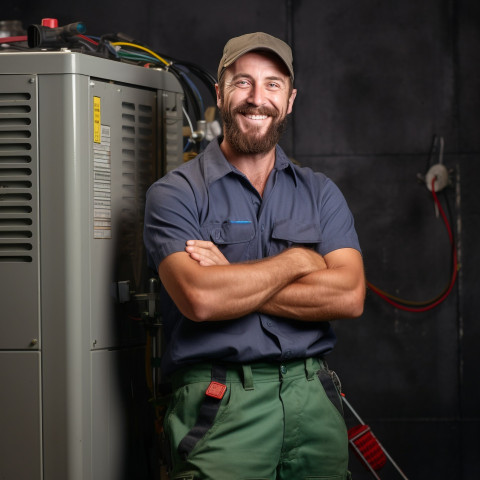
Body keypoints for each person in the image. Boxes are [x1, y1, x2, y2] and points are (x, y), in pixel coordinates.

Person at [144, 31, 365, 480]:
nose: (256, 98)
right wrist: (299, 262)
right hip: (220, 405)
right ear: (222, 94)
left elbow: (348, 296)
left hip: (312, 400)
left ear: (290, 100)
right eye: (242, 83)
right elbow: (201, 299)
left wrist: (232, 279)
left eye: (272, 84)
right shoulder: (176, 195)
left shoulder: (320, 194)